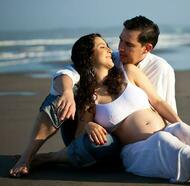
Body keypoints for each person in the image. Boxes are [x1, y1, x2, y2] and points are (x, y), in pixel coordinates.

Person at [31, 33, 190, 186]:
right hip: (135, 150)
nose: (110, 49)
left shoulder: (128, 72)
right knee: (164, 140)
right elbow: (81, 136)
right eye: (102, 47)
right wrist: (90, 124)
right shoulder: (90, 96)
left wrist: (179, 124)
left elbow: (158, 102)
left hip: (164, 130)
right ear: (89, 57)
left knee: (186, 132)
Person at [9, 16, 176, 177]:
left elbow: (162, 109)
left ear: (146, 48)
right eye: (120, 41)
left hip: (122, 141)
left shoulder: (161, 69)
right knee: (60, 95)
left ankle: (49, 158)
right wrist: (67, 93)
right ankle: (27, 157)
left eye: (128, 44)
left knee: (104, 143)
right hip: (85, 130)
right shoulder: (114, 59)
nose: (120, 48)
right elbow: (67, 72)